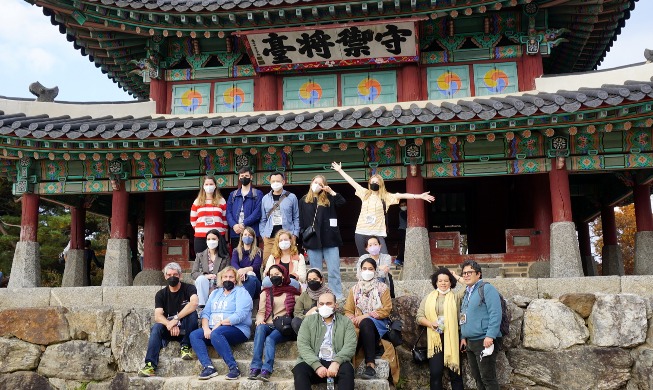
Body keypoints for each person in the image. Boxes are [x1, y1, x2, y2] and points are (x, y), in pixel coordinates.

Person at [331, 161, 435, 256]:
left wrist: (420, 196)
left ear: (381, 184)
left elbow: (402, 195)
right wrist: (340, 170)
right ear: (369, 183)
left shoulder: (386, 196)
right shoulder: (365, 193)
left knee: (384, 258)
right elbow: (352, 181)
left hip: (378, 232)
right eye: (372, 182)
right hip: (361, 231)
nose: (374, 184)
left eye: (376, 182)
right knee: (365, 260)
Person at [189, 266, 253, 380]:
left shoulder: (242, 292)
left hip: (237, 329)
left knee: (217, 333)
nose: (228, 279)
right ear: (221, 279)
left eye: (231, 277)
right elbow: (206, 313)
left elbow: (240, 315)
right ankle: (208, 367)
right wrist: (206, 328)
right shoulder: (215, 293)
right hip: (213, 329)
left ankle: (234, 368)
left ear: (236, 279)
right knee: (194, 335)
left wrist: (220, 323)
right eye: (225, 277)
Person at [138, 262, 199, 377]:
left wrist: (176, 319)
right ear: (165, 276)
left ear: (180, 276)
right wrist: (169, 324)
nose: (172, 277)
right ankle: (150, 365)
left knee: (193, 315)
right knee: (156, 327)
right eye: (169, 274)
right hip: (169, 329)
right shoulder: (161, 294)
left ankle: (185, 346)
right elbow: (158, 316)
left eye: (175, 274)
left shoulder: (189, 288)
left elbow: (194, 303)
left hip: (186, 329)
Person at [292, 292, 357, 390]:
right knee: (300, 370)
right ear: (317, 305)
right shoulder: (308, 321)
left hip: (337, 363)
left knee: (347, 370)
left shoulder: (346, 322)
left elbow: (350, 345)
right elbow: (303, 345)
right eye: (321, 304)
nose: (324, 306)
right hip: (314, 361)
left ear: (336, 305)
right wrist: (317, 366)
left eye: (328, 303)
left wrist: (336, 362)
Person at [248, 265, 301, 381]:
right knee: (260, 328)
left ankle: (266, 369)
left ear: (283, 275)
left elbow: (299, 312)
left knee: (270, 339)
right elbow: (261, 311)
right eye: (271, 275)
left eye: (277, 274)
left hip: (283, 326)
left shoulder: (293, 293)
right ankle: (255, 366)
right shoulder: (265, 293)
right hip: (268, 323)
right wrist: (259, 319)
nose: (274, 277)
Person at [416, 268, 465, 390]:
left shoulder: (456, 297)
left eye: (446, 281)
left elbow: (468, 285)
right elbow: (419, 317)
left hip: (453, 337)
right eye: (440, 281)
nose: (443, 283)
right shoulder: (428, 298)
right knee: (435, 373)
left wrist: (456, 276)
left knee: (455, 373)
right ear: (436, 282)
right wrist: (430, 323)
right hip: (435, 338)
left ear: (450, 282)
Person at [299, 175, 346, 299]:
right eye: (315, 182)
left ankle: (337, 296)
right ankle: (317, 296)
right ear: (311, 183)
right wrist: (304, 237)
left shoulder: (329, 198)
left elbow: (342, 202)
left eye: (321, 184)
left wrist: (330, 191)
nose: (317, 185)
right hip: (313, 239)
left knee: (334, 270)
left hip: (330, 238)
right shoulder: (304, 200)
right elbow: (302, 221)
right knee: (315, 272)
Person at [344, 258, 392, 380]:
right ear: (360, 270)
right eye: (364, 268)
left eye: (370, 269)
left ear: (375, 271)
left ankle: (370, 365)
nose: (367, 271)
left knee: (366, 322)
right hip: (358, 323)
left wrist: (366, 316)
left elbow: (386, 310)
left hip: (378, 323)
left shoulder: (382, 288)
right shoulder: (354, 289)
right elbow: (348, 310)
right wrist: (353, 319)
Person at [459, 259, 502, 390]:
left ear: (478, 274)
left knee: (488, 378)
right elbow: (463, 316)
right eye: (464, 273)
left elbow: (495, 313)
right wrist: (463, 336)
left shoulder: (487, 288)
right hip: (470, 342)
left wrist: (490, 335)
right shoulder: (467, 292)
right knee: (477, 378)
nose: (466, 275)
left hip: (484, 340)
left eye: (469, 272)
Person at [259, 171, 299, 263]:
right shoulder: (265, 198)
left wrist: (294, 234)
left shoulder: (292, 197)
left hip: (287, 237)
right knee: (267, 264)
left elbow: (296, 217)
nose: (275, 183)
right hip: (269, 237)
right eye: (273, 181)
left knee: (290, 264)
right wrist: (263, 235)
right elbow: (263, 219)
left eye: (278, 181)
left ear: (283, 182)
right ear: (270, 182)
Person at [226, 167, 264, 250]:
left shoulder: (257, 193)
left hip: (251, 232)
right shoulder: (233, 195)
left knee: (252, 256)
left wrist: (244, 224)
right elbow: (228, 212)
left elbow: (257, 212)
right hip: (236, 232)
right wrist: (234, 225)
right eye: (242, 175)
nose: (244, 177)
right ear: (239, 177)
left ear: (251, 177)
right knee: (237, 255)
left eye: (246, 175)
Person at [191, 229, 229, 308]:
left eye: (214, 239)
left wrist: (216, 277)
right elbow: (194, 273)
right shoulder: (200, 255)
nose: (211, 241)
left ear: (218, 240)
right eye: (208, 239)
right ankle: (202, 306)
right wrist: (205, 275)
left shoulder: (225, 256)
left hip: (218, 283)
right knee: (201, 279)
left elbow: (228, 272)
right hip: (204, 284)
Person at [190, 175, 227, 256]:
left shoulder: (221, 201)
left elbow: (225, 220)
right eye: (206, 184)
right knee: (202, 262)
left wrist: (221, 231)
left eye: (211, 184)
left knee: (219, 261)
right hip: (201, 237)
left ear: (215, 186)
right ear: (203, 186)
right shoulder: (197, 201)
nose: (209, 186)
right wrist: (201, 229)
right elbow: (193, 221)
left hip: (218, 236)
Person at [292, 268, 332, 334]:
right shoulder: (304, 295)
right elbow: (297, 312)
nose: (312, 282)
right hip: (307, 323)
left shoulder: (328, 294)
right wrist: (307, 316)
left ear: (321, 280)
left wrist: (316, 310)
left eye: (315, 279)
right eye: (309, 280)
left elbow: (333, 310)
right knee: (295, 321)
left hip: (323, 322)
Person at [231, 226, 263, 300]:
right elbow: (233, 263)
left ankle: (246, 302)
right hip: (239, 278)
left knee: (250, 275)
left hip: (255, 282)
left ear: (253, 238)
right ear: (241, 237)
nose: (247, 237)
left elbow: (256, 266)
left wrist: (244, 271)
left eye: (249, 235)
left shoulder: (258, 251)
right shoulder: (236, 251)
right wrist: (241, 272)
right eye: (245, 235)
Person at [395, 201, 407, 266]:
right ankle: (398, 259)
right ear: (400, 207)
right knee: (403, 246)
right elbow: (407, 219)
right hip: (402, 230)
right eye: (402, 205)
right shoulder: (402, 213)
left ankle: (401, 259)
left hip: (404, 230)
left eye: (404, 205)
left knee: (404, 246)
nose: (403, 206)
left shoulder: (404, 212)